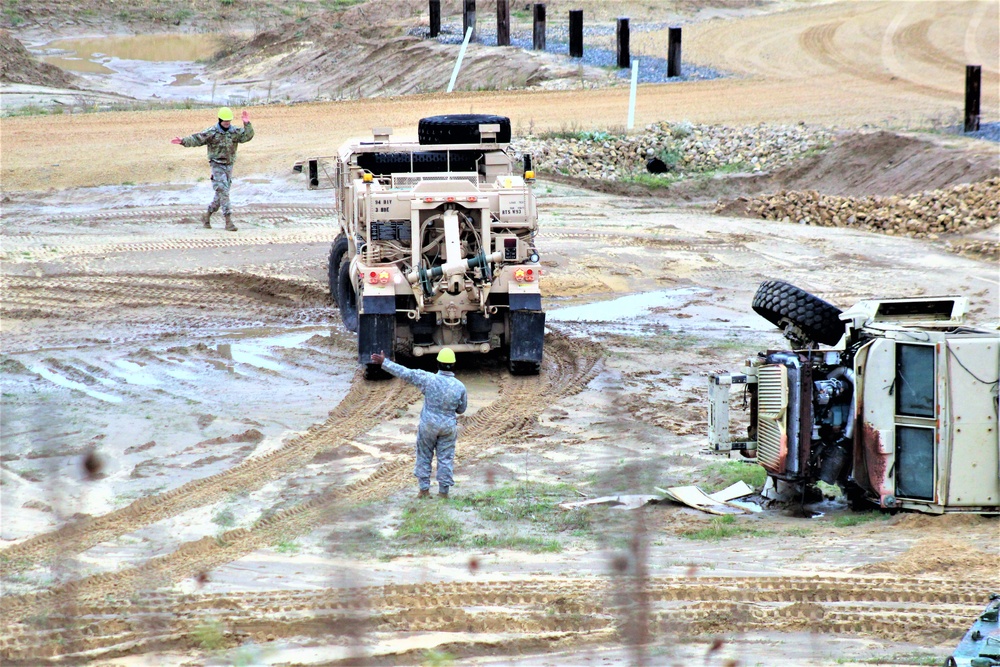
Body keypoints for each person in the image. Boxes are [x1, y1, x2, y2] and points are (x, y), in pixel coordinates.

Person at [370, 348, 467, 499]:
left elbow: (406, 373)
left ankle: (423, 491)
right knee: (445, 459)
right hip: (448, 427)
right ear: (453, 365)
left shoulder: (428, 379)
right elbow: (461, 409)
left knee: (424, 456)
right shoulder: (460, 387)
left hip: (428, 426)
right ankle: (443, 493)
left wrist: (385, 363)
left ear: (438, 364)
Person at [171, 107, 254, 231]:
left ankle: (207, 215)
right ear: (220, 120)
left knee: (220, 195)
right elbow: (197, 139)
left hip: (229, 165)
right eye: (225, 120)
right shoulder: (212, 132)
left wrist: (247, 123)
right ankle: (228, 221)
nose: (227, 123)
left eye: (229, 121)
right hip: (216, 165)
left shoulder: (234, 131)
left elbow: (247, 136)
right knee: (224, 192)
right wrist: (183, 141)